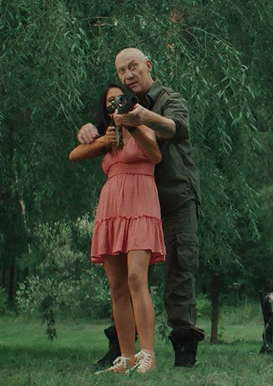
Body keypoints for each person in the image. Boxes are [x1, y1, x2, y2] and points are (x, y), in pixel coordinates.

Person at [78, 48, 204, 368]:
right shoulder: (122, 102)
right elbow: (99, 135)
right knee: (125, 279)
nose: (128, 74)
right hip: (132, 201)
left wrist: (141, 117)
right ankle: (121, 348)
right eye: (122, 70)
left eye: (133, 67)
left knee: (178, 271)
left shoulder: (169, 99)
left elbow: (176, 129)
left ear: (148, 65)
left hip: (174, 197)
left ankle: (184, 350)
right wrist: (88, 130)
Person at [70, 84, 165, 374]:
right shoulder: (108, 135)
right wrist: (102, 140)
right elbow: (74, 155)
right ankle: (126, 357)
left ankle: (147, 353)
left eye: (120, 98)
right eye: (110, 101)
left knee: (136, 277)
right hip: (112, 207)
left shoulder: (143, 123)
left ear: (129, 101)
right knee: (117, 286)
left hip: (141, 202)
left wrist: (132, 127)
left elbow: (155, 155)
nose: (115, 104)